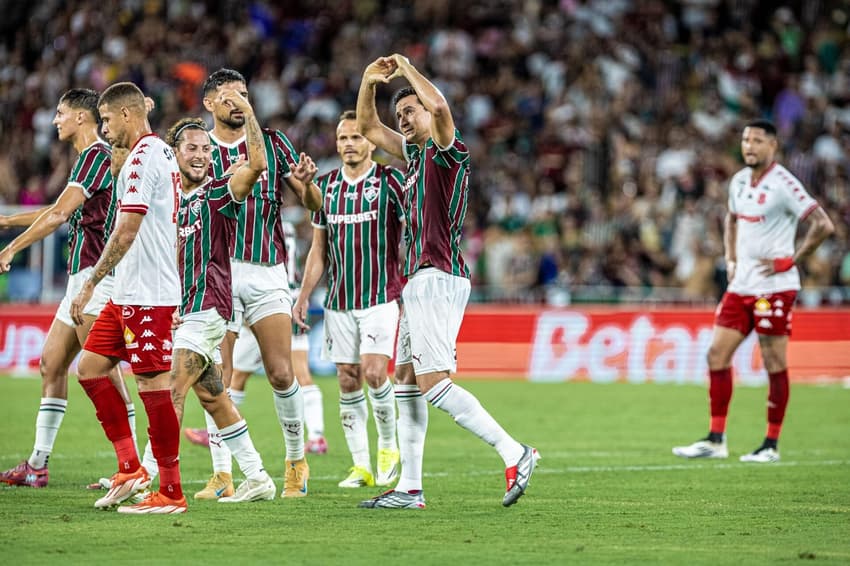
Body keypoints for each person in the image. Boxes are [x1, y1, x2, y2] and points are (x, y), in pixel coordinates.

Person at [355, 55, 539, 508]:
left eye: (409, 111)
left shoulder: (446, 153)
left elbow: (439, 109)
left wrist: (407, 68)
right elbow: (367, 126)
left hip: (438, 276)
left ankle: (514, 451)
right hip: (416, 280)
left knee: (434, 382)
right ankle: (410, 488)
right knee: (405, 380)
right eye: (400, 114)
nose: (403, 119)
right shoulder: (414, 158)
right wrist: (368, 81)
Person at [673, 119, 834, 463]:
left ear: (772, 145)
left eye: (757, 140)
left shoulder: (784, 184)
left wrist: (791, 260)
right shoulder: (739, 181)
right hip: (741, 284)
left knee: (773, 361)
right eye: (746, 140)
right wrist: (730, 258)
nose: (749, 146)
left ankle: (771, 445)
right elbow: (731, 219)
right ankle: (716, 440)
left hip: (774, 288)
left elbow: (823, 224)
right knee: (716, 355)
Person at [0, 88, 136, 488]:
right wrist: (7, 222)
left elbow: (59, 214)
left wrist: (10, 249)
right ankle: (38, 465)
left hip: (98, 280)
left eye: (60, 113)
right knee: (51, 364)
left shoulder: (95, 155)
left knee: (104, 373)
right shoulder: (88, 160)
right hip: (81, 279)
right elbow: (58, 208)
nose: (54, 120)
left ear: (82, 117)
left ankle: (131, 469)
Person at [202, 68, 322, 498]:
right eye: (230, 96)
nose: (240, 103)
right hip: (217, 270)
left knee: (280, 371)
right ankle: (222, 474)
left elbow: (313, 204)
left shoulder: (273, 142)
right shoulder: (198, 148)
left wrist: (308, 188)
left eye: (245, 95)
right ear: (210, 104)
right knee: (218, 375)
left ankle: (295, 462)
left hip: (267, 270)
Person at [69, 82, 183, 513]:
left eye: (107, 119)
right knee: (91, 367)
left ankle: (171, 491)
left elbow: (127, 229)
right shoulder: (156, 152)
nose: (104, 128)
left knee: (154, 387)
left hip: (148, 295)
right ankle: (131, 468)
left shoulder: (142, 157)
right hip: (133, 291)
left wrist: (91, 282)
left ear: (128, 116)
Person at [165, 88, 276, 504]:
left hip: (209, 308)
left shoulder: (217, 193)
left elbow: (258, 164)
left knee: (171, 389)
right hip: (186, 309)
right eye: (191, 148)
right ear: (174, 154)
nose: (200, 155)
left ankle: (161, 484)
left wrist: (247, 112)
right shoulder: (174, 201)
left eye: (204, 149)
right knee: (214, 397)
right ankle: (258, 477)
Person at [292, 110, 403, 489]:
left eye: (356, 137)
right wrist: (304, 296)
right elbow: (318, 251)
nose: (349, 144)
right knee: (346, 378)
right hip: (340, 300)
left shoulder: (391, 182)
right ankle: (361, 465)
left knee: (374, 372)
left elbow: (412, 233)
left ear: (372, 141)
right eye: (343, 138)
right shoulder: (326, 188)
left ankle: (388, 445)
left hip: (380, 296)